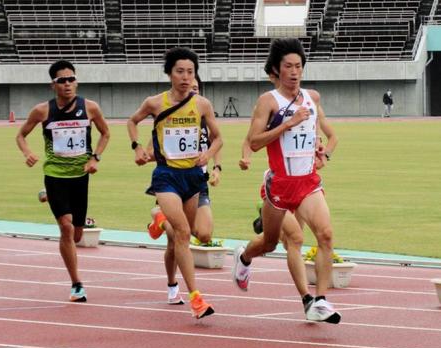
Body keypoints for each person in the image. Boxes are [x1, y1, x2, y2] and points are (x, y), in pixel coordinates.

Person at [232, 37, 341, 324]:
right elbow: (254, 142)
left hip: (307, 182)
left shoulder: (312, 98)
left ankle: (317, 301)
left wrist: (320, 151)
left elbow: (320, 134)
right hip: (279, 184)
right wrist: (287, 124)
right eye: (288, 66)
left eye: (298, 66)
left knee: (324, 235)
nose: (294, 72)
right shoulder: (268, 101)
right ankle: (244, 257)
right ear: (277, 70)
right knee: (269, 243)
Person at [127, 47, 222, 319]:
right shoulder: (155, 103)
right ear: (169, 73)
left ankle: (161, 221)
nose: (185, 77)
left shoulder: (202, 104)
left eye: (190, 72)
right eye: (180, 71)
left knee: (182, 236)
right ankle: (196, 298)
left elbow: (218, 138)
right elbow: (132, 122)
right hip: (166, 176)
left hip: (192, 178)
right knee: (182, 233)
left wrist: (209, 154)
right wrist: (137, 147)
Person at [16, 60, 110, 302]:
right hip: (55, 175)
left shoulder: (90, 108)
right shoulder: (42, 111)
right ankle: (77, 283)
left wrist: (95, 157)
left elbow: (105, 133)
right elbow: (21, 135)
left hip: (80, 177)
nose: (67, 84)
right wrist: (27, 153)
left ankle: (50, 198)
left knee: (78, 234)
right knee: (66, 229)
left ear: (76, 81)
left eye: (71, 79)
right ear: (53, 85)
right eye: (62, 80)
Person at [146, 76, 222, 305]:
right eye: (190, 89)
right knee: (179, 237)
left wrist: (216, 166)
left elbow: (216, 141)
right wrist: (151, 154)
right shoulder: (171, 117)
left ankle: (161, 221)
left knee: (204, 234)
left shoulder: (203, 115)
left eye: (197, 89)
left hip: (198, 183)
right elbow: (151, 149)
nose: (193, 92)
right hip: (172, 183)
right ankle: (173, 285)